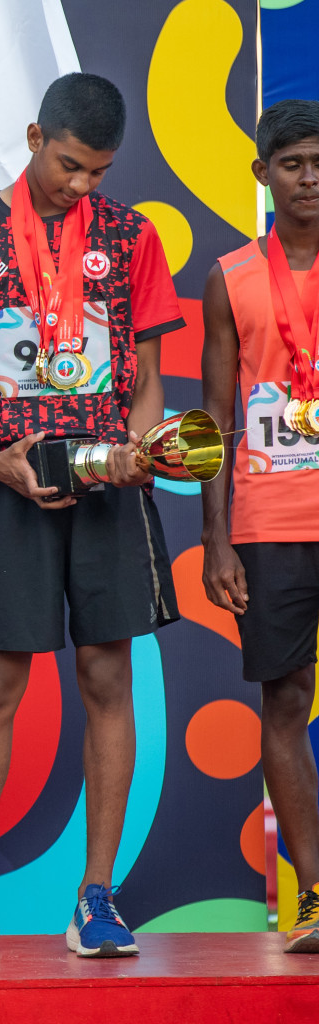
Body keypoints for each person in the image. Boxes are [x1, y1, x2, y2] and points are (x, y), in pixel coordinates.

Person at [0, 73, 184, 959]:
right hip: (14, 483)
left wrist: (133, 450)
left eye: (98, 171)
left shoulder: (132, 237)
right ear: (33, 137)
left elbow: (145, 375)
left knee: (107, 680)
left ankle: (96, 901)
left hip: (108, 491)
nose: (82, 185)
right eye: (70, 165)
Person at [200, 98, 319, 954]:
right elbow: (212, 417)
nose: (310, 179)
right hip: (270, 519)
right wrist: (215, 537)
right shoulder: (231, 277)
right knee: (284, 702)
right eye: (293, 165)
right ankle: (314, 897)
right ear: (263, 174)